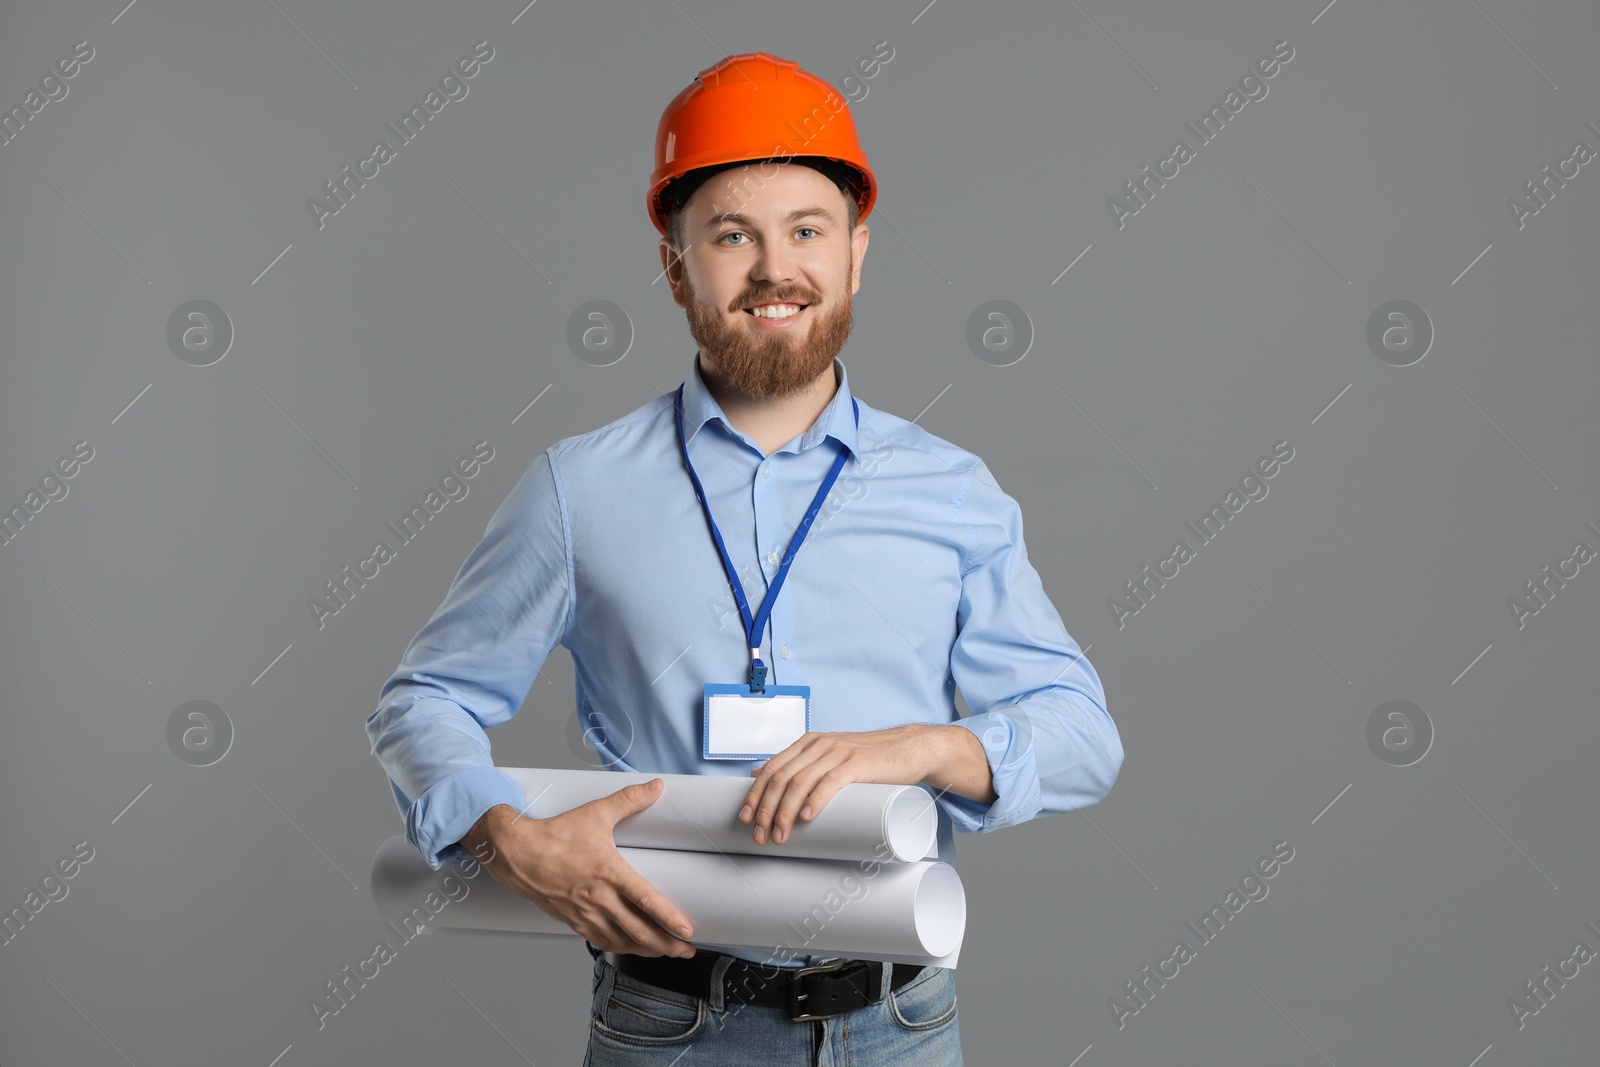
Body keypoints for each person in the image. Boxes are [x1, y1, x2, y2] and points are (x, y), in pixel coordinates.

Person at [365, 51, 1124, 1066]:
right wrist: (505, 832)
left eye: (807, 231)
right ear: (676, 265)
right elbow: (424, 700)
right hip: (667, 1024)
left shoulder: (950, 489)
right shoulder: (578, 488)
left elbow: (1081, 735)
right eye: (733, 236)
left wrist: (921, 746)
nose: (775, 269)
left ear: (856, 252)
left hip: (897, 1028)